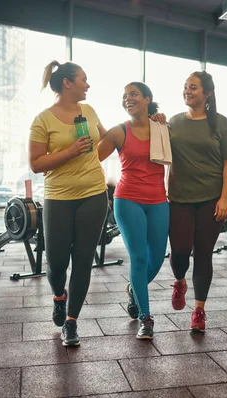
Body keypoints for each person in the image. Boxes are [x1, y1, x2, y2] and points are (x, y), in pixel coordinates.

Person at [29, 60, 109, 347]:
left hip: (93, 194)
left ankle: (71, 322)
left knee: (84, 259)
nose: (88, 85)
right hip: (59, 197)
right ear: (67, 83)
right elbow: (36, 164)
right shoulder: (43, 120)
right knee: (57, 261)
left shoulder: (89, 111)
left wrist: (153, 118)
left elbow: (108, 138)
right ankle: (58, 297)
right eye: (83, 80)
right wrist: (72, 151)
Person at [168, 71, 227, 332]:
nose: (187, 91)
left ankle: (199, 310)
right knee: (180, 251)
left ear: (207, 93)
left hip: (211, 199)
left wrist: (224, 197)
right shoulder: (173, 122)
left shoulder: (221, 123)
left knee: (204, 253)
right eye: (185, 87)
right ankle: (180, 281)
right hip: (179, 198)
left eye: (193, 87)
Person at [98, 82, 169, 340]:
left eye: (134, 94)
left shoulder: (162, 128)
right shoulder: (119, 131)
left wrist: (162, 121)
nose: (128, 98)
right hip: (127, 200)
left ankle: (133, 289)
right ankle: (145, 317)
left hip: (159, 200)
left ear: (147, 99)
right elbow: (93, 158)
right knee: (139, 258)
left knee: (158, 259)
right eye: (125, 95)